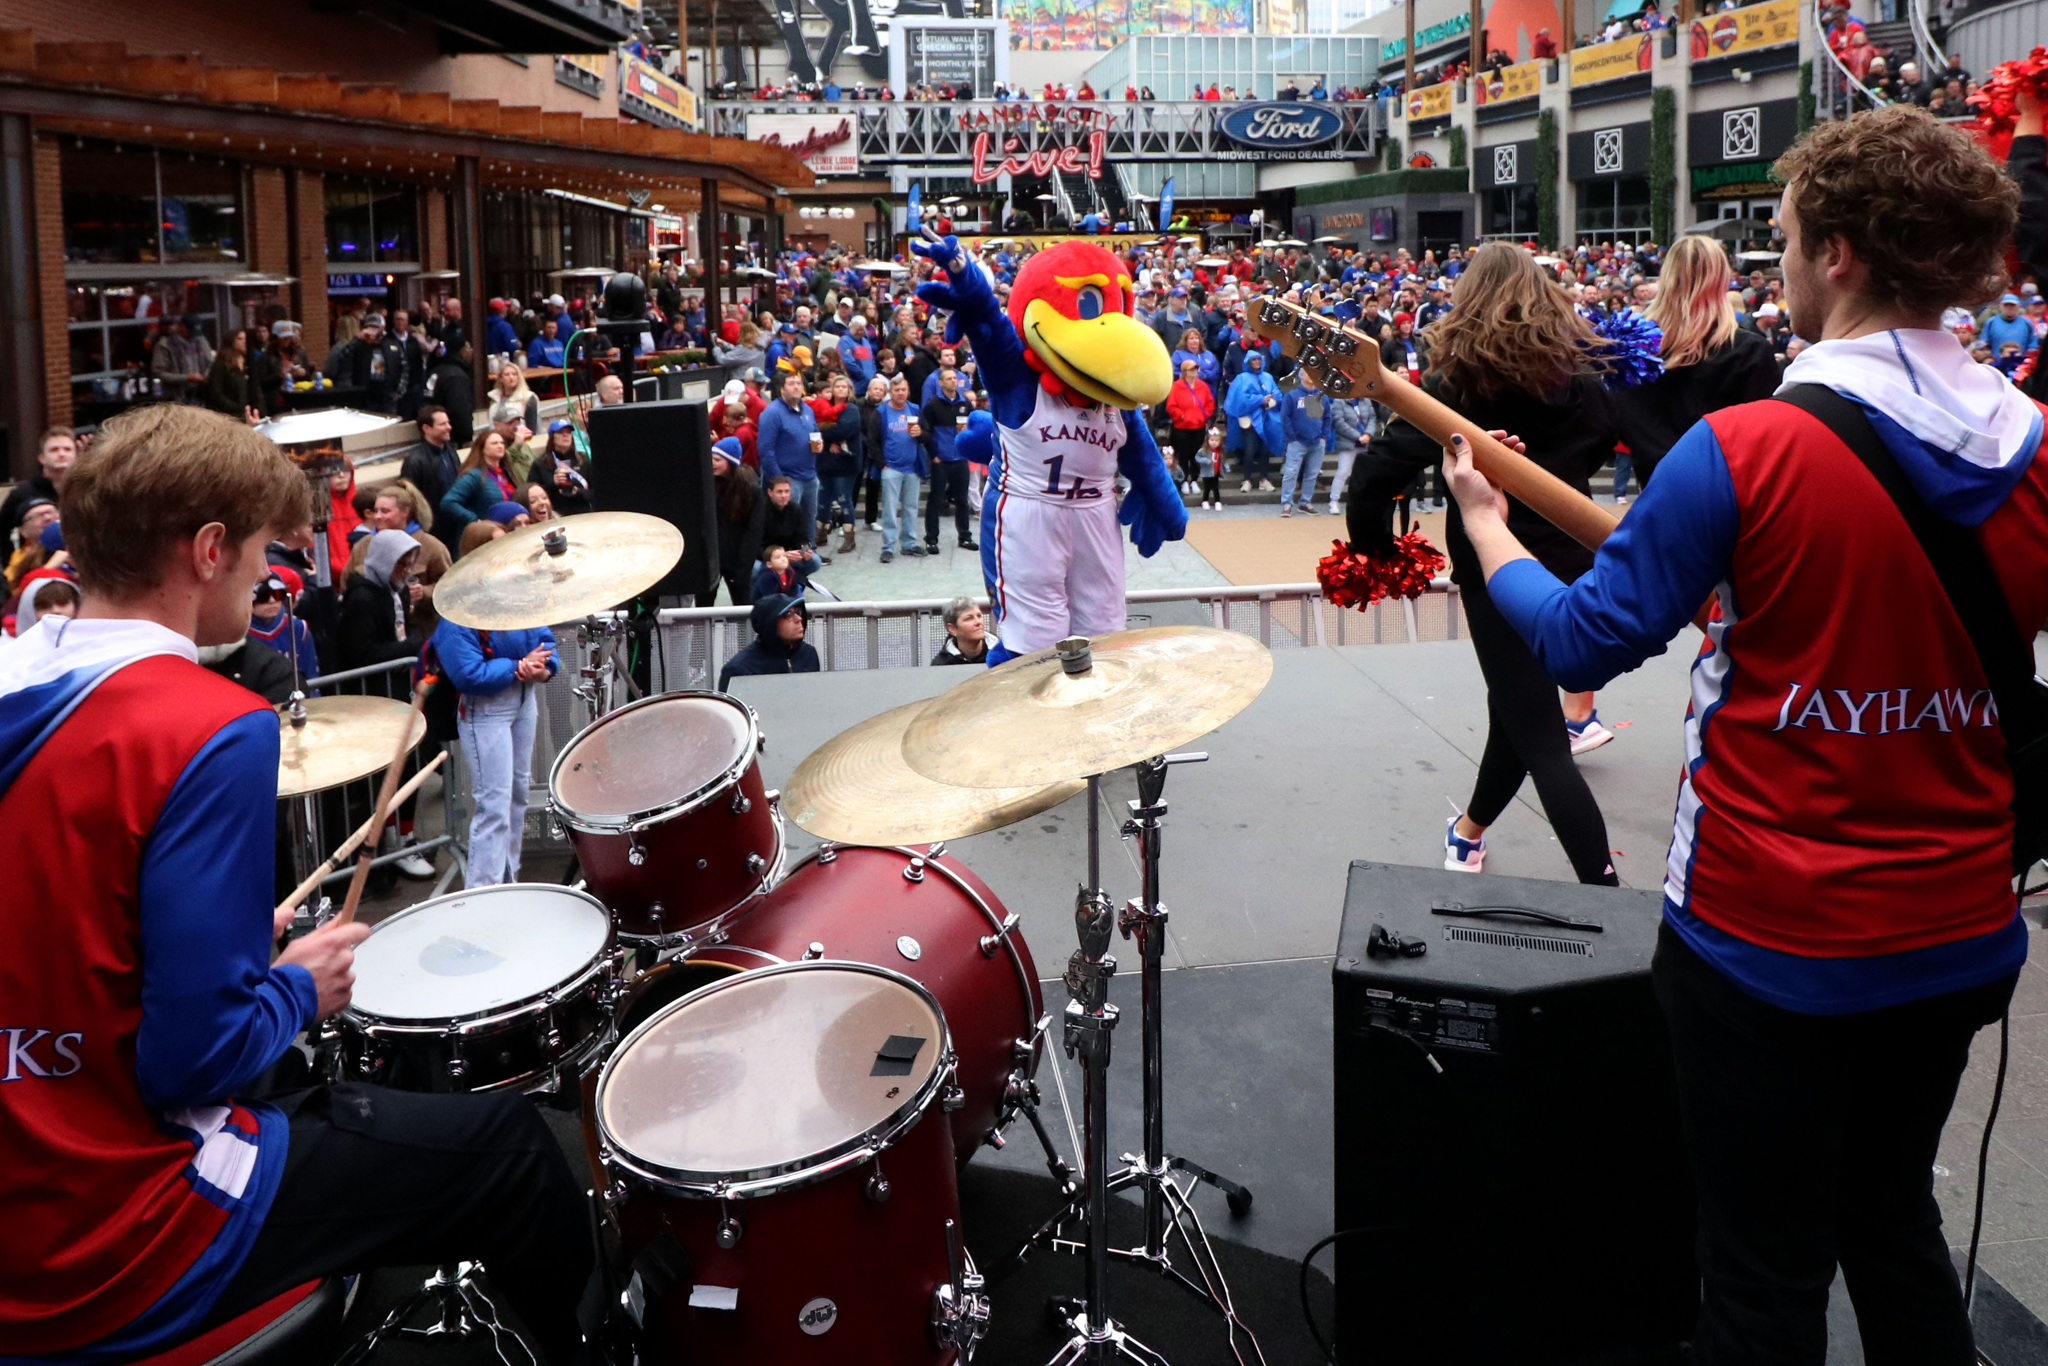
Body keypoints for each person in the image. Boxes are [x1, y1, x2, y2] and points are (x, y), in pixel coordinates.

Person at [1441, 106, 2041, 1366]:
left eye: (1778, 240)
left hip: (1765, 942)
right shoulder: (2033, 448)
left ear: (1835, 253)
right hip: (1956, 928)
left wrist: (1488, 524)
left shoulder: (1747, 449)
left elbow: (1575, 645)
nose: (1772, 267)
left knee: (1757, 1275)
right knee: (1891, 1222)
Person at [0, 405, 588, 1363]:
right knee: (512, 1151)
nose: (276, 578)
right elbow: (196, 1062)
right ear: (206, 549)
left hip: (20, 1170)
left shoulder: (16, 686)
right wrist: (294, 986)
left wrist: (231, 939)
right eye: (266, 552)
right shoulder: (204, 724)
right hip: (110, 1233)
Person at [1347, 242, 1622, 886]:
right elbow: (1612, 445)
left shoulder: (1455, 387)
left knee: (1544, 741)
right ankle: (1468, 833)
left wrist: (1376, 550)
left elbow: (1374, 474)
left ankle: (1606, 892)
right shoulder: (1584, 376)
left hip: (1497, 574)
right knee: (1519, 713)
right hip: (1574, 565)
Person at [1618, 234, 1782, 488]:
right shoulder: (1748, 352)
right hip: (1723, 502)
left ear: (1667, 277)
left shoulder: (1633, 349)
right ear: (1721, 281)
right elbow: (1763, 446)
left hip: (1655, 494)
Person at [431, 614, 556, 887]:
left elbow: (546, 644)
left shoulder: (514, 600)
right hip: (486, 709)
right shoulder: (456, 617)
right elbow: (469, 674)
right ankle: (482, 892)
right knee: (495, 806)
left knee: (518, 794)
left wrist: (542, 669)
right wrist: (520, 664)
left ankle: (508, 881)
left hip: (523, 701)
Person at [757, 368, 824, 538]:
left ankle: (809, 555)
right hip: (788, 479)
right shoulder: (771, 414)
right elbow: (766, 451)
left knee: (809, 519)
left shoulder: (807, 410)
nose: (796, 387)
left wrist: (820, 443)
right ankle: (787, 559)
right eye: (791, 384)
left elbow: (815, 432)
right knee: (787, 524)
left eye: (799, 383)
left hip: (810, 476)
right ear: (782, 389)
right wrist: (779, 481)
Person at [705, 439, 766, 607]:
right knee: (704, 605)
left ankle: (745, 634)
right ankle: (702, 635)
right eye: (710, 458)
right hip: (712, 559)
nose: (712, 463)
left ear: (730, 462)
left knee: (742, 604)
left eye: (717, 460)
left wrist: (744, 567)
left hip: (737, 559)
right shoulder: (707, 486)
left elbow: (754, 531)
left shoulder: (751, 490)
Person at [921, 367, 976, 552]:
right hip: (941, 459)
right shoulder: (933, 404)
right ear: (940, 382)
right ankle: (931, 538)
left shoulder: (965, 403)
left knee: (962, 500)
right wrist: (933, 455)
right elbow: (925, 432)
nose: (953, 381)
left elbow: (973, 428)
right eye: (949, 378)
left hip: (960, 457)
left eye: (955, 378)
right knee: (935, 500)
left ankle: (965, 536)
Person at [439, 431, 523, 552]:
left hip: (510, 532)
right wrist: (474, 520)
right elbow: (448, 502)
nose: (500, 446)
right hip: (488, 538)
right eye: (494, 443)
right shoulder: (474, 475)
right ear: (482, 449)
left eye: (502, 443)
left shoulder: (506, 471)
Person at [716, 592, 820, 688]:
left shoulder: (809, 654)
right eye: (788, 614)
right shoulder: (739, 669)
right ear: (770, 624)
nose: (799, 618)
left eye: (798, 611)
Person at [876, 374, 925, 562]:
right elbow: (873, 440)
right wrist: (882, 464)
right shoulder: (882, 412)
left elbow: (927, 435)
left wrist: (920, 433)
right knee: (889, 509)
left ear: (908, 391)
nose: (900, 393)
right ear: (890, 393)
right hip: (891, 467)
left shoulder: (915, 410)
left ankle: (909, 543)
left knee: (911, 507)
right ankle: (888, 546)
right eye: (897, 390)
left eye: (903, 390)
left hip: (912, 467)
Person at [814, 374, 864, 555]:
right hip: (826, 461)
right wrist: (830, 439)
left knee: (844, 499)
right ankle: (820, 532)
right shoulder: (824, 407)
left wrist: (826, 431)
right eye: (837, 386)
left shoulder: (851, 409)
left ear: (850, 390)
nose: (841, 389)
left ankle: (849, 537)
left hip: (845, 462)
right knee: (823, 498)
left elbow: (845, 429)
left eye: (845, 387)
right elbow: (814, 427)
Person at [1224, 350, 1283, 492]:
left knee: (1264, 450)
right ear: (1248, 362)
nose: (1257, 362)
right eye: (1254, 359)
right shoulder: (1241, 378)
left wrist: (1271, 402)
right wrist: (1260, 400)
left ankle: (1264, 479)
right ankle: (1247, 479)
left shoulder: (1268, 377)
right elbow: (1240, 400)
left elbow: (1278, 395)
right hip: (1249, 420)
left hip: (1266, 418)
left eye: (1259, 359)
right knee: (1249, 451)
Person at [0, 428, 77, 538]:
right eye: (54, 450)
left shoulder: (85, 490)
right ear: (42, 458)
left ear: (76, 456)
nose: (61, 454)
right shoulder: (22, 493)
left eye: (67, 449)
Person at [1278, 369, 1334, 516]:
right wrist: (1292, 437)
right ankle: (1286, 503)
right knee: (1291, 472)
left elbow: (1326, 417)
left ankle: (1305, 502)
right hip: (1297, 442)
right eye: (1308, 372)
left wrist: (1323, 436)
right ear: (1301, 375)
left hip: (1316, 442)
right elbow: (1285, 417)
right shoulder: (1292, 396)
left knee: (1312, 473)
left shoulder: (1320, 396)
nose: (1312, 375)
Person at [1167, 357, 1218, 495]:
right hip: (1182, 427)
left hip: (1198, 426)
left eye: (1196, 368)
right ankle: (1183, 480)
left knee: (1196, 454)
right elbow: (1171, 406)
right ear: (1184, 372)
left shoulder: (1202, 385)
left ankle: (1194, 479)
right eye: (1191, 369)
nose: (1195, 371)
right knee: (1183, 454)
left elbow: (1209, 403)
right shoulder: (1177, 386)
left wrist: (1204, 416)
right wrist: (1182, 416)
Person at [525, 419, 593, 518]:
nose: (565, 435)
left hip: (583, 513)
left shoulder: (583, 460)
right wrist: (553, 483)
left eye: (568, 432)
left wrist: (578, 492)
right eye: (560, 433)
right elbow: (530, 495)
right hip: (555, 514)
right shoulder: (540, 464)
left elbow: (597, 492)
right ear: (552, 437)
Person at [202, 329, 262, 423]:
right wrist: (235, 408)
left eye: (245, 339)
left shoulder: (249, 362)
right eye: (240, 339)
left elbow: (255, 387)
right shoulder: (221, 365)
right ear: (231, 341)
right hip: (229, 415)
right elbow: (216, 393)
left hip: (249, 413)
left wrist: (257, 406)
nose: (244, 342)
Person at [931, 596, 997, 665]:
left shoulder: (1003, 654)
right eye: (969, 618)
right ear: (952, 629)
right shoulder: (941, 665)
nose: (978, 622)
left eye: (979, 616)